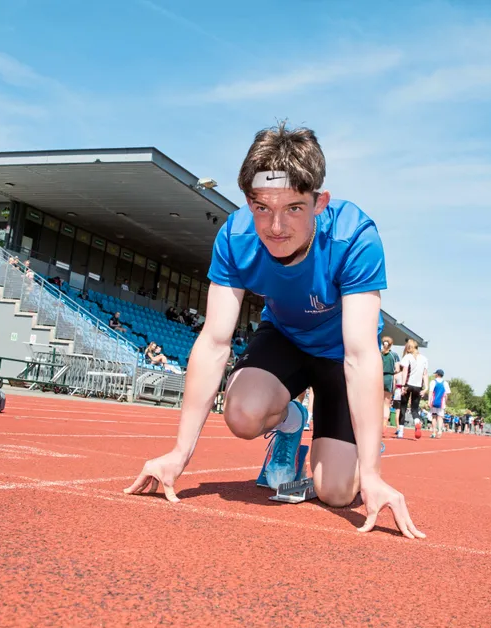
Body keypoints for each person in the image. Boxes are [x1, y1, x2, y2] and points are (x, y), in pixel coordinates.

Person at [124, 123, 423, 538]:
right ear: (248, 202)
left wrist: (371, 474)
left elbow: (360, 354)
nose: (276, 226)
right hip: (285, 339)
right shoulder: (235, 236)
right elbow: (214, 342)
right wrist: (178, 454)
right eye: (262, 207)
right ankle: (290, 420)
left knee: (337, 492)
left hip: (340, 357)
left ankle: (355, 453)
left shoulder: (354, 235)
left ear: (320, 202)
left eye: (294, 208)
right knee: (242, 413)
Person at [397, 339, 429, 433]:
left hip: (408, 384)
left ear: (408, 348)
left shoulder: (407, 357)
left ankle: (401, 431)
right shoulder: (424, 359)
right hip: (418, 386)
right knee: (414, 408)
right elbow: (425, 374)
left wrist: (403, 386)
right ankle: (416, 421)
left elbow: (405, 371)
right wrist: (426, 388)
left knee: (403, 406)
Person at [380, 336, 401, 433]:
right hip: (389, 378)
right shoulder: (394, 355)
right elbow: (397, 369)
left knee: (377, 403)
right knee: (386, 404)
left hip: (378, 377)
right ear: (391, 344)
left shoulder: (379, 354)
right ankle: (384, 423)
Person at [427, 369, 450, 438]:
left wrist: (429, 401)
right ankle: (439, 431)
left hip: (434, 401)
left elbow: (431, 392)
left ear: (437, 374)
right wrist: (445, 402)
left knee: (434, 417)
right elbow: (446, 394)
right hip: (441, 402)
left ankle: (434, 432)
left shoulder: (433, 382)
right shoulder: (445, 383)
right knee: (440, 417)